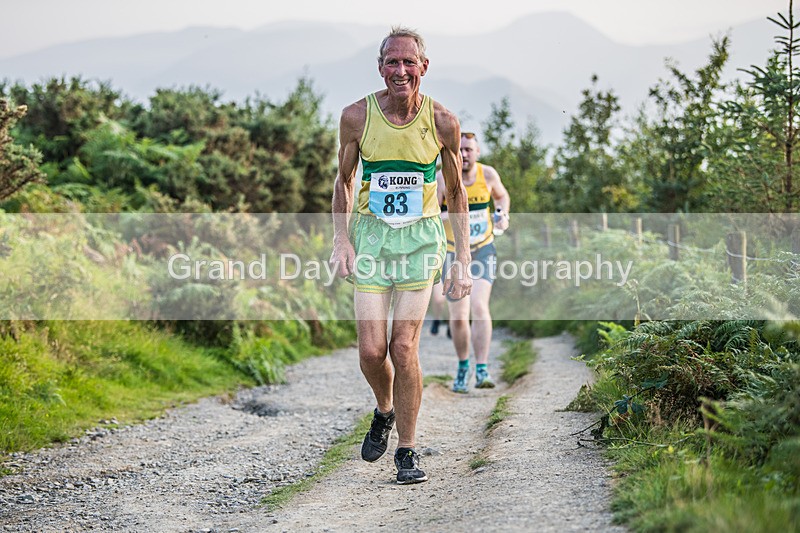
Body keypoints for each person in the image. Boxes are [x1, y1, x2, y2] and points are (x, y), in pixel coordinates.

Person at [329, 26, 472, 485]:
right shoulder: (356, 116)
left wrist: (462, 259)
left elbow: (455, 191)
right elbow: (344, 182)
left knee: (403, 345)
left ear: (424, 67)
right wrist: (341, 240)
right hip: (371, 239)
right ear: (380, 67)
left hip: (422, 240)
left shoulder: (443, 121)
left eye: (409, 62)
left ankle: (407, 451)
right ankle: (385, 409)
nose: (401, 70)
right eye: (392, 62)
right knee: (372, 350)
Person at [437, 131, 510, 393]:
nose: (464, 154)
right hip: (453, 253)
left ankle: (482, 369)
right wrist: (447, 216)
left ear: (477, 153)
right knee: (458, 317)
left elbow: (501, 197)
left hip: (482, 250)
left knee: (479, 307)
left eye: (469, 150)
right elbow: (431, 213)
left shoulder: (487, 175)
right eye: (460, 150)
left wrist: (502, 214)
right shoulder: (442, 178)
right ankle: (463, 365)